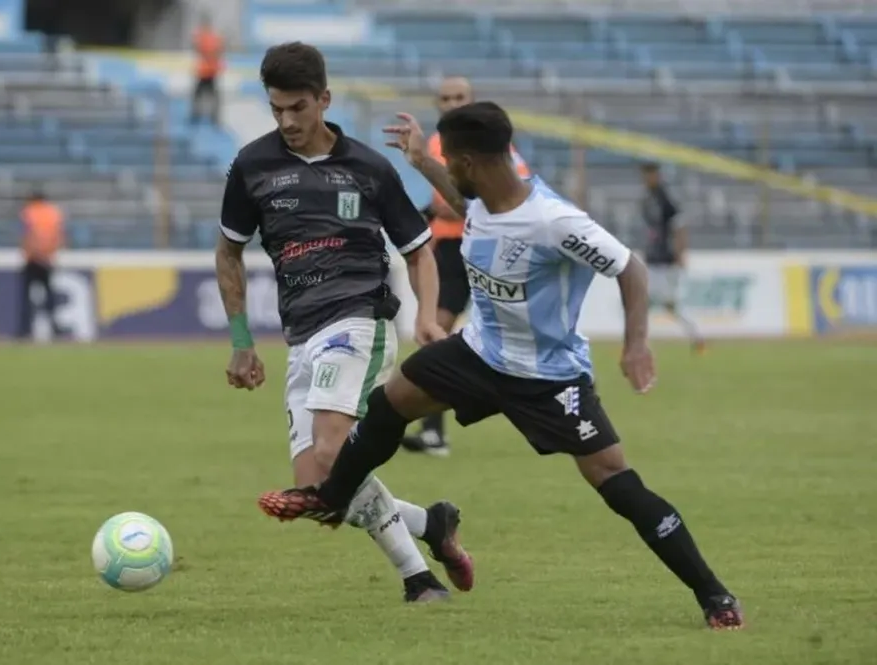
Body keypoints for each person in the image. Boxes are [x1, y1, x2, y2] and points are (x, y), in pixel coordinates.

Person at [257, 102, 744, 630]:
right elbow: (468, 206)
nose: (450, 172)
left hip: (548, 378)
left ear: (472, 160)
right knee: (389, 402)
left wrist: (636, 345)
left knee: (617, 484)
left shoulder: (553, 220)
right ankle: (330, 499)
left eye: (452, 161)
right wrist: (421, 160)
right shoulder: (485, 199)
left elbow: (632, 268)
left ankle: (714, 595)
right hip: (480, 354)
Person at [215, 41, 473, 603]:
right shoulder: (253, 166)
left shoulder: (368, 168)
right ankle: (433, 524)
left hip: (361, 318)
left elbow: (420, 250)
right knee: (321, 492)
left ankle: (420, 582)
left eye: (298, 108)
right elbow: (228, 253)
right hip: (302, 333)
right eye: (276, 109)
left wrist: (427, 317)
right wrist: (241, 341)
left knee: (333, 457)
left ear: (324, 100)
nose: (286, 121)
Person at [401, 76, 532, 458]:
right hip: (449, 247)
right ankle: (433, 432)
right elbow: (442, 200)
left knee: (516, 335)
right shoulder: (437, 144)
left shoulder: (494, 142)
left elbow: (515, 186)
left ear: (472, 100)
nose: (452, 103)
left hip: (489, 247)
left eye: (459, 97)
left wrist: (453, 204)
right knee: (434, 330)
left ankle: (564, 402)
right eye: (445, 98)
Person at [639, 162, 705, 353]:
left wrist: (680, 253)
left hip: (666, 261)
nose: (646, 179)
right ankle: (696, 337)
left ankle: (696, 336)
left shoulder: (665, 199)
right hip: (653, 259)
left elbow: (679, 226)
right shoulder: (647, 199)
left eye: (649, 174)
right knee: (655, 303)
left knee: (659, 303)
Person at [18, 190, 64, 340]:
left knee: (26, 297)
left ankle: (25, 330)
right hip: (47, 259)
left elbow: (27, 234)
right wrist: (50, 254)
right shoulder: (53, 213)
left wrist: (30, 252)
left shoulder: (29, 212)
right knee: (49, 295)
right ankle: (55, 328)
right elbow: (59, 236)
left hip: (33, 259)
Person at [190, 15, 223, 126]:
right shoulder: (210, 37)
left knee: (203, 94)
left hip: (208, 71)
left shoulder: (205, 37)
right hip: (207, 70)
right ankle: (208, 116)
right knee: (205, 94)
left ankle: (206, 116)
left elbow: (200, 49)